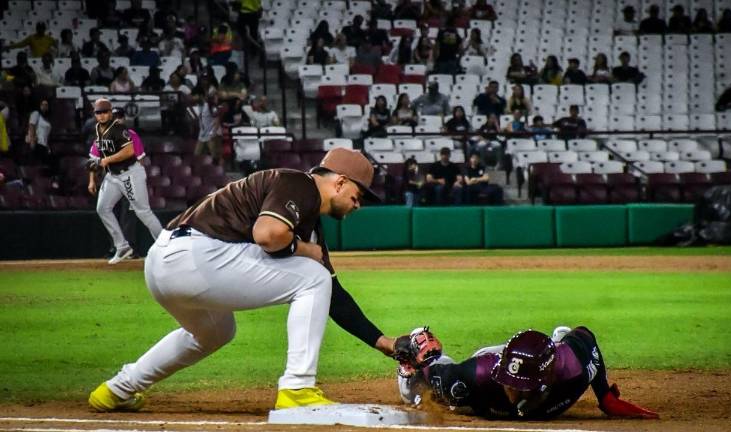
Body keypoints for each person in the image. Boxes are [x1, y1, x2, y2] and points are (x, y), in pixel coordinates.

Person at [87, 147, 405, 412]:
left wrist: (386, 345)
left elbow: (333, 295)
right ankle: (297, 388)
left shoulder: (307, 218)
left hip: (165, 263)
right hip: (195, 256)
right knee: (312, 277)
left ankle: (117, 389)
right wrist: (303, 249)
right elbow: (267, 235)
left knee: (215, 332)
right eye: (358, 194)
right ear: (339, 182)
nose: (359, 204)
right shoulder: (299, 185)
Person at [395, 326, 659, 420]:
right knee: (418, 391)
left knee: (565, 331)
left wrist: (606, 397)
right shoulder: (476, 376)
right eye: (509, 383)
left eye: (519, 386)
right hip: (485, 369)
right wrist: (418, 363)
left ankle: (554, 338)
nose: (511, 391)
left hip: (552, 357)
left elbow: (585, 336)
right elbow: (434, 377)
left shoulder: (574, 371)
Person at [86, 98, 163, 264]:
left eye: (105, 112)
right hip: (113, 176)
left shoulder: (119, 128)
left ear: (110, 112)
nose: (102, 115)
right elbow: (94, 158)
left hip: (130, 173)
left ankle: (166, 246)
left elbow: (129, 151)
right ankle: (122, 246)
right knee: (102, 208)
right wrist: (93, 174)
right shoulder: (98, 129)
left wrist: (106, 161)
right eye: (98, 112)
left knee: (143, 212)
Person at [89, 107, 148, 256]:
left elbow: (141, 159)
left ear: (124, 119)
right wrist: (92, 180)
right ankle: (115, 248)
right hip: (111, 179)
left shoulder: (131, 135)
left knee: (129, 215)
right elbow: (93, 161)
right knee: (110, 213)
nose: (118, 119)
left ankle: (130, 249)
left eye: (120, 117)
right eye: (115, 117)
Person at [194, 93, 225, 164]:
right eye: (216, 98)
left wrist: (213, 132)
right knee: (197, 154)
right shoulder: (201, 106)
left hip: (211, 133)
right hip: (203, 133)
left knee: (215, 155)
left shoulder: (213, 107)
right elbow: (200, 118)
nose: (217, 100)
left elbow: (217, 120)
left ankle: (218, 171)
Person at [26, 99, 52, 166]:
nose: (44, 106)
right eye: (42, 104)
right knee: (35, 165)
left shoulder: (47, 118)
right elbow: (32, 126)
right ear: (39, 105)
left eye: (46, 105)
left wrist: (47, 146)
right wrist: (32, 141)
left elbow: (47, 134)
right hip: (36, 142)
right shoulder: (36, 113)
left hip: (43, 144)